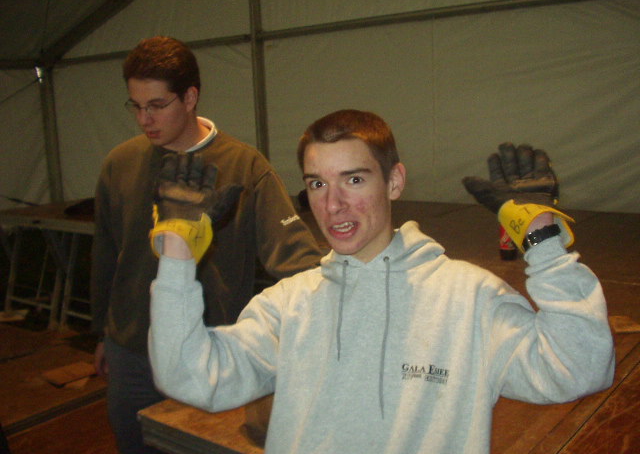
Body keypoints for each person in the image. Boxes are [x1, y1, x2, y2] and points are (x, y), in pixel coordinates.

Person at [147, 109, 615, 453]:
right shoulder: (289, 305)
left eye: (353, 180)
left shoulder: (469, 298)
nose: (332, 204)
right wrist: (177, 251)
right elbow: (191, 376)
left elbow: (577, 368)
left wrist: (541, 238)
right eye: (317, 184)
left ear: (394, 182)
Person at [90, 36, 323, 454]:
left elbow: (296, 259)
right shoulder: (119, 164)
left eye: (156, 105)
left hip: (209, 353)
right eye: (135, 106)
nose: (144, 119)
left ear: (190, 97)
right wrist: (104, 333)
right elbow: (106, 254)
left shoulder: (244, 167)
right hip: (131, 354)